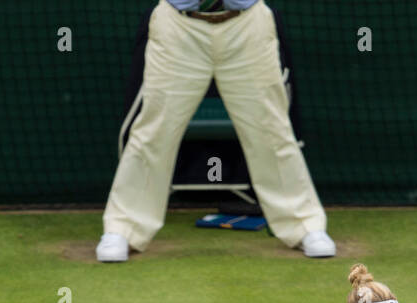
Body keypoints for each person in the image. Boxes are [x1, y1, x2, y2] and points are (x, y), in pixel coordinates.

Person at [96, 0, 334, 262]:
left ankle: (304, 225)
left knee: (272, 131)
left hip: (247, 23)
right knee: (152, 133)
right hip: (178, 24)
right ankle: (123, 229)